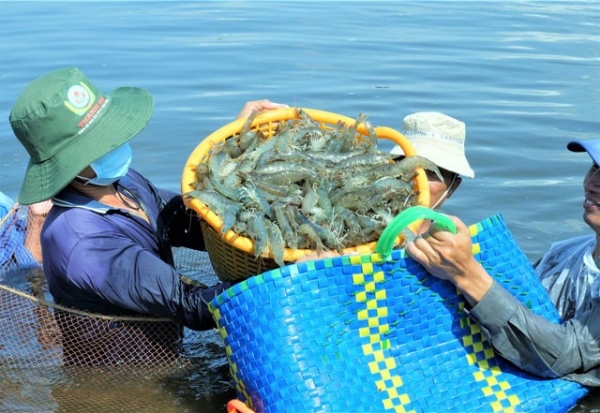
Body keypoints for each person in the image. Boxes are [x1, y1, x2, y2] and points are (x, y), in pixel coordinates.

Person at [8, 66, 287, 365]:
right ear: (68, 165)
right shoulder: (81, 243)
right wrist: (285, 278)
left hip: (169, 344)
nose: (114, 143)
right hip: (128, 380)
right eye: (99, 143)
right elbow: (191, 306)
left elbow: (193, 222)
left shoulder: (122, 183)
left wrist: (235, 147)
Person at [405, 139, 600, 386]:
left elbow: (561, 357)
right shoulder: (561, 255)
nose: (592, 183)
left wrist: (466, 272)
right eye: (594, 168)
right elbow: (521, 310)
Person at [391, 111, 474, 210]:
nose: (415, 181)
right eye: (406, 166)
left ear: (452, 187)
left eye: (432, 172)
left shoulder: (450, 225)